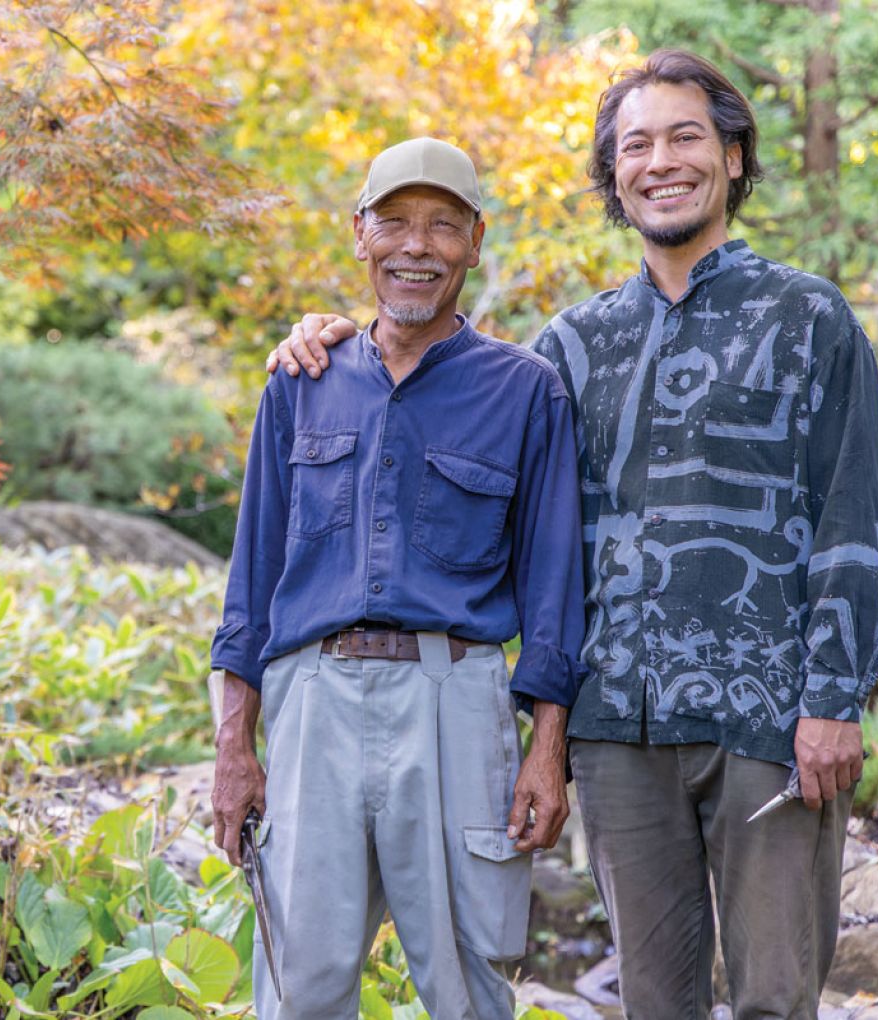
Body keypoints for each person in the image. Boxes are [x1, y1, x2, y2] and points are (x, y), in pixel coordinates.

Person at [268, 51, 878, 1020]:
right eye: (634, 146)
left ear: (732, 157)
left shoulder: (809, 319)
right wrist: (340, 337)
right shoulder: (571, 346)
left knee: (774, 997)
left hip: (770, 723)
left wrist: (835, 698)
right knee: (653, 1003)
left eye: (685, 137)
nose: (660, 162)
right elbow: (451, 396)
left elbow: (852, 518)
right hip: (615, 735)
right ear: (614, 177)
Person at [211, 137, 587, 1020]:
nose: (416, 247)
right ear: (359, 235)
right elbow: (253, 576)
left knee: (468, 988)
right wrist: (235, 747)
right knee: (297, 986)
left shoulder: (526, 391)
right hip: (312, 704)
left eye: (442, 226)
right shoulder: (300, 381)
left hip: (454, 700)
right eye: (395, 223)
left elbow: (554, 586)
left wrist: (547, 750)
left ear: (476, 242)